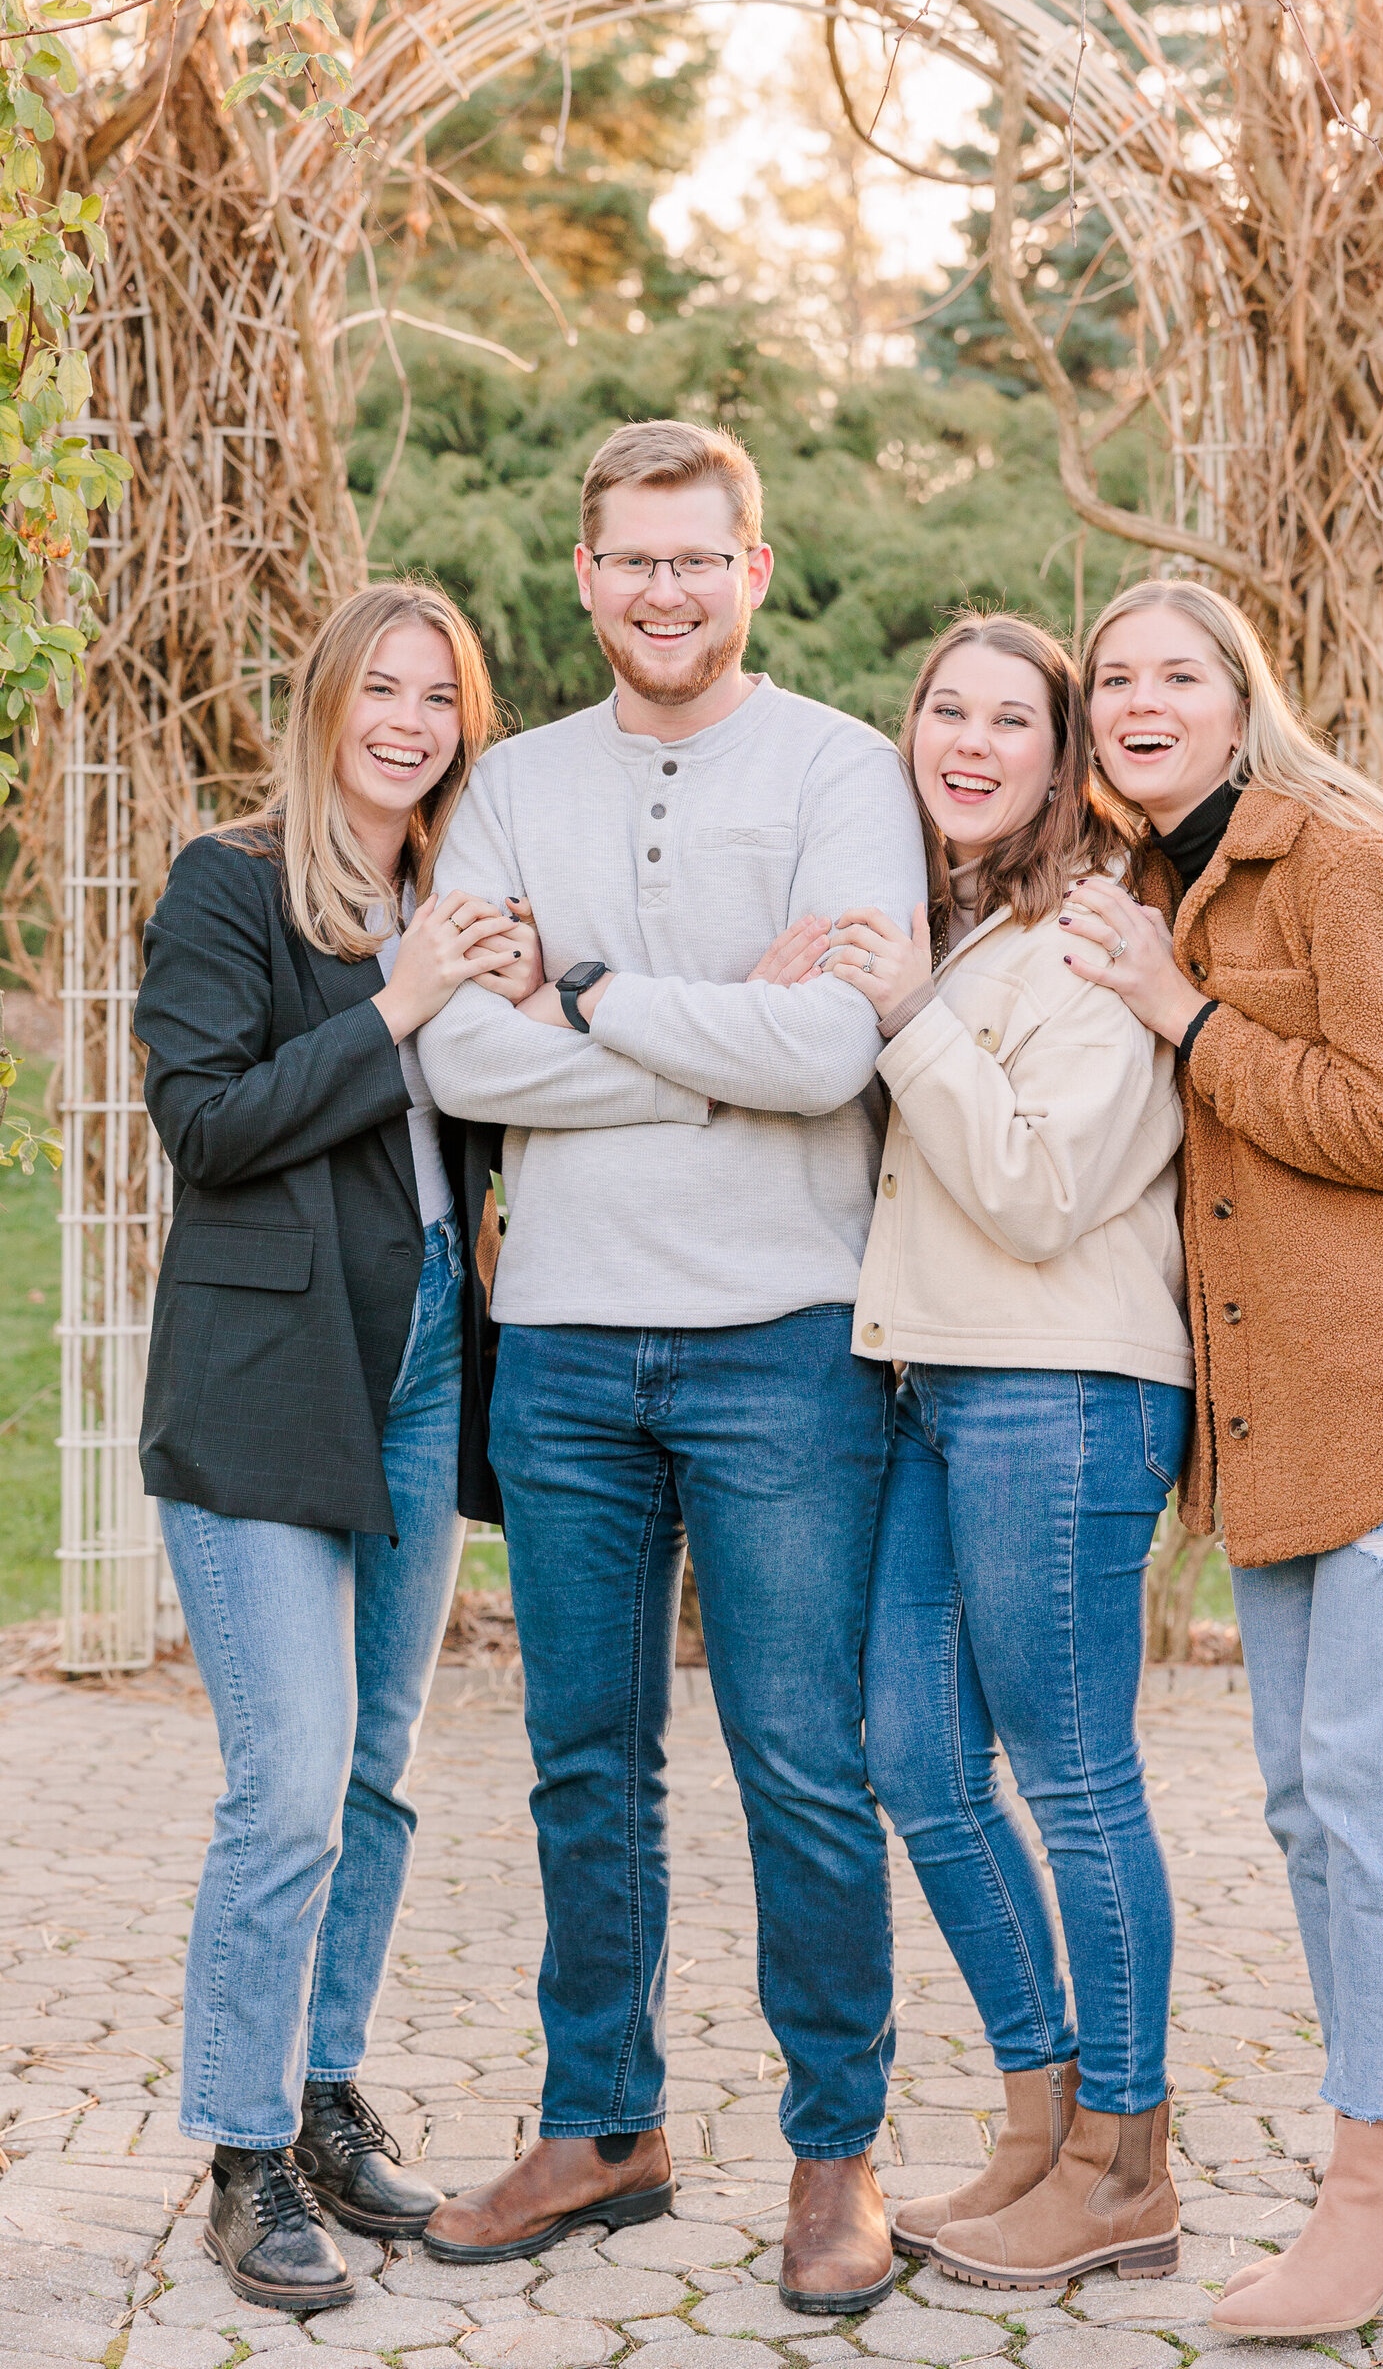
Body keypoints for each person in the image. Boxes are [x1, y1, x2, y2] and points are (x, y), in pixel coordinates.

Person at [414, 420, 928, 2313]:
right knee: (581, 1762)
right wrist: (735, 1019)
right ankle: (603, 2120)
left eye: (697, 558)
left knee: (804, 1758)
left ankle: (834, 2155)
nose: (663, 590)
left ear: (754, 572)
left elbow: (832, 1061)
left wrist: (597, 994)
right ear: (584, 578)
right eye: (631, 559)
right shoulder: (511, 788)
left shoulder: (845, 770)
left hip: (786, 1339)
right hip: (560, 1345)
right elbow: (458, 1062)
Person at [1058, 579, 1383, 2338]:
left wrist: (1174, 1013)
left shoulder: (1339, 859)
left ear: (1239, 696)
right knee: (1302, 1798)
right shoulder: (1165, 887)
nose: (1138, 697)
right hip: (1276, 1426)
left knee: (1366, 1786)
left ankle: (1376, 2185)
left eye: (1174, 672)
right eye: (1112, 675)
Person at [136, 582, 536, 2312]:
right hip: (269, 1372)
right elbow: (208, 1122)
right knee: (287, 1776)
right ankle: (238, 2153)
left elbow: (507, 1114)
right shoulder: (231, 884)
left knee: (374, 1770)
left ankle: (317, 2100)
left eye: (437, 693)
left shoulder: (459, 893)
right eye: (379, 686)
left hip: (432, 1353)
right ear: (323, 704)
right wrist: (397, 999)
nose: (408, 719)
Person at [819, 611, 1192, 2290]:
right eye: (943, 711)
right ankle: (1042, 2125)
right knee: (914, 1761)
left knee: (1075, 1774)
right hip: (935, 1388)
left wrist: (905, 1013)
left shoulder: (1104, 929)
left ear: (1062, 758)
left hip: (1062, 1386)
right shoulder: (962, 923)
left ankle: (1129, 2164)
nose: (969, 743)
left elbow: (1042, 1190)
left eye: (1011, 721)